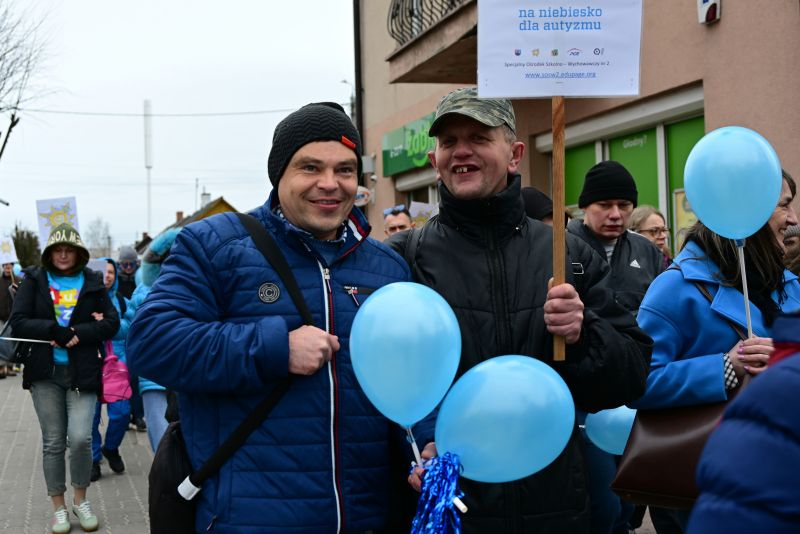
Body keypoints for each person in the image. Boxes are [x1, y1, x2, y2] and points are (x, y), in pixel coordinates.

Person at [127, 102, 412, 533]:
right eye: (310, 167)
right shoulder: (216, 245)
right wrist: (276, 349)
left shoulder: (386, 268)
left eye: (345, 170)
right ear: (279, 174)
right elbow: (151, 343)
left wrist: (425, 442)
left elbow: (407, 380)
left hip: (365, 518)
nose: (329, 183)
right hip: (248, 520)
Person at [391, 87, 652, 533]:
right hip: (456, 508)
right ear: (435, 160)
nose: (461, 151)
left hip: (556, 507)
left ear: (514, 155)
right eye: (449, 141)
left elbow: (630, 377)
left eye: (478, 137)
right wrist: (422, 439)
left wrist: (582, 333)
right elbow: (387, 384)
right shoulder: (406, 257)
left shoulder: (568, 255)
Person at [630, 170, 800, 532]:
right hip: (708, 482)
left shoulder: (789, 283)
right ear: (746, 209)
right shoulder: (674, 288)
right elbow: (636, 381)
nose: (794, 218)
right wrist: (725, 367)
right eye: (784, 205)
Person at [566, 162, 665, 534]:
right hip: (584, 397)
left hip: (635, 389)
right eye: (604, 205)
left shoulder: (646, 251)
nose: (615, 214)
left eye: (624, 205)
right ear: (584, 207)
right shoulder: (562, 247)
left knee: (630, 499)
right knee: (602, 502)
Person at [9, 223, 119, 533]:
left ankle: (80, 501)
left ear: (79, 253)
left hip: (83, 372)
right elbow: (18, 322)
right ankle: (58, 507)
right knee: (54, 442)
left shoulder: (93, 282)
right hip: (44, 374)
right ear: (49, 253)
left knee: (82, 438)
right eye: (58, 249)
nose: (63, 254)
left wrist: (78, 333)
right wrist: (53, 330)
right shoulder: (35, 279)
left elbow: (112, 323)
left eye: (69, 249)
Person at [686, 313, 800, 534]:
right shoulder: (674, 293)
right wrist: (725, 367)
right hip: (686, 453)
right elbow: (641, 378)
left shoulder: (790, 294)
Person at [128, 228, 182, 453]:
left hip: (187, 376)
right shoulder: (143, 291)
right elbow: (131, 330)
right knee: (161, 442)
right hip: (153, 377)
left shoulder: (203, 288)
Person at [90, 258, 134, 481]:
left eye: (111, 272)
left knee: (122, 412)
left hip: (117, 364)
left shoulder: (122, 301)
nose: (107, 276)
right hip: (90, 362)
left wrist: (108, 323)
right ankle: (93, 459)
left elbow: (130, 327)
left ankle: (111, 447)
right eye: (103, 271)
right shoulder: (83, 298)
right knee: (91, 415)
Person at [116, 245, 146, 432]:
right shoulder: (116, 282)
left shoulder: (142, 280)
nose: (128, 268)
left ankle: (138, 415)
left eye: (131, 265)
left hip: (138, 333)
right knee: (122, 377)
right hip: (121, 335)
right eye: (124, 264)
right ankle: (125, 415)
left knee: (137, 377)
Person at [629, 205, 672, 269]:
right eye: (654, 231)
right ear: (635, 233)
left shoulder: (669, 263)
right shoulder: (624, 264)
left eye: (663, 230)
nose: (664, 236)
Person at [0, 262, 18, 378]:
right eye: (5, 265)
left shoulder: (18, 280)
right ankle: (1, 367)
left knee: (12, 342)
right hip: (1, 317)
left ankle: (10, 367)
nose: (7, 267)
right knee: (0, 342)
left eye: (9, 265)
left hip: (13, 316)